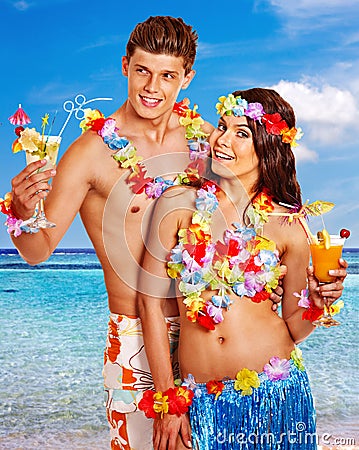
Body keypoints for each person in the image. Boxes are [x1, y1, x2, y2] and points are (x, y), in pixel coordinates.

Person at [4, 17, 346, 450]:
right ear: (125, 66)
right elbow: (37, 251)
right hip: (136, 335)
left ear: (188, 78)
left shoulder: (208, 140)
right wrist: (21, 209)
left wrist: (297, 285)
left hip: (210, 338)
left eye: (168, 75)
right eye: (143, 70)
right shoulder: (89, 154)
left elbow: (258, 205)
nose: (153, 87)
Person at [137, 88, 348, 450]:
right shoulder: (177, 203)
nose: (221, 139)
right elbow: (148, 304)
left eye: (241, 132)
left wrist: (318, 302)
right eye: (221, 126)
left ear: (267, 147)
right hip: (198, 398)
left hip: (275, 396)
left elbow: (294, 326)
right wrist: (168, 401)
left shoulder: (288, 224)